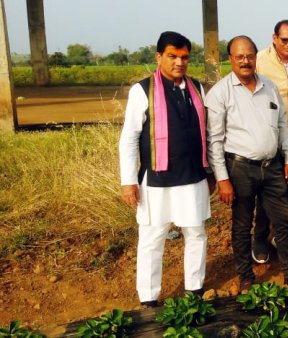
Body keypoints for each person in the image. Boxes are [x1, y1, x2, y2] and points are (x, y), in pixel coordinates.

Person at [119, 31, 210, 307]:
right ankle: (148, 297)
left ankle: (194, 290)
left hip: (193, 176)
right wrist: (127, 181)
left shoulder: (197, 88)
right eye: (172, 56)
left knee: (196, 234)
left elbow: (207, 132)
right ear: (159, 56)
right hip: (156, 179)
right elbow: (129, 137)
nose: (179, 62)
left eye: (184, 57)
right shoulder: (142, 90)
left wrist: (212, 173)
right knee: (152, 237)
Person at [205, 35, 288, 289]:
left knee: (284, 221)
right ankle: (246, 278)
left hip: (272, 166)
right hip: (240, 169)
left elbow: (282, 124)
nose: (245, 61)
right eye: (239, 57)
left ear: (255, 58)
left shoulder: (269, 87)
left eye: (249, 56)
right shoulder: (220, 93)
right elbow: (214, 140)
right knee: (242, 224)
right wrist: (223, 178)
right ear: (230, 60)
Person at [253, 19, 288, 264]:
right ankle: (260, 239)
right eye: (284, 39)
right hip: (268, 136)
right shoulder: (259, 61)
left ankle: (281, 235)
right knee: (268, 191)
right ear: (274, 38)